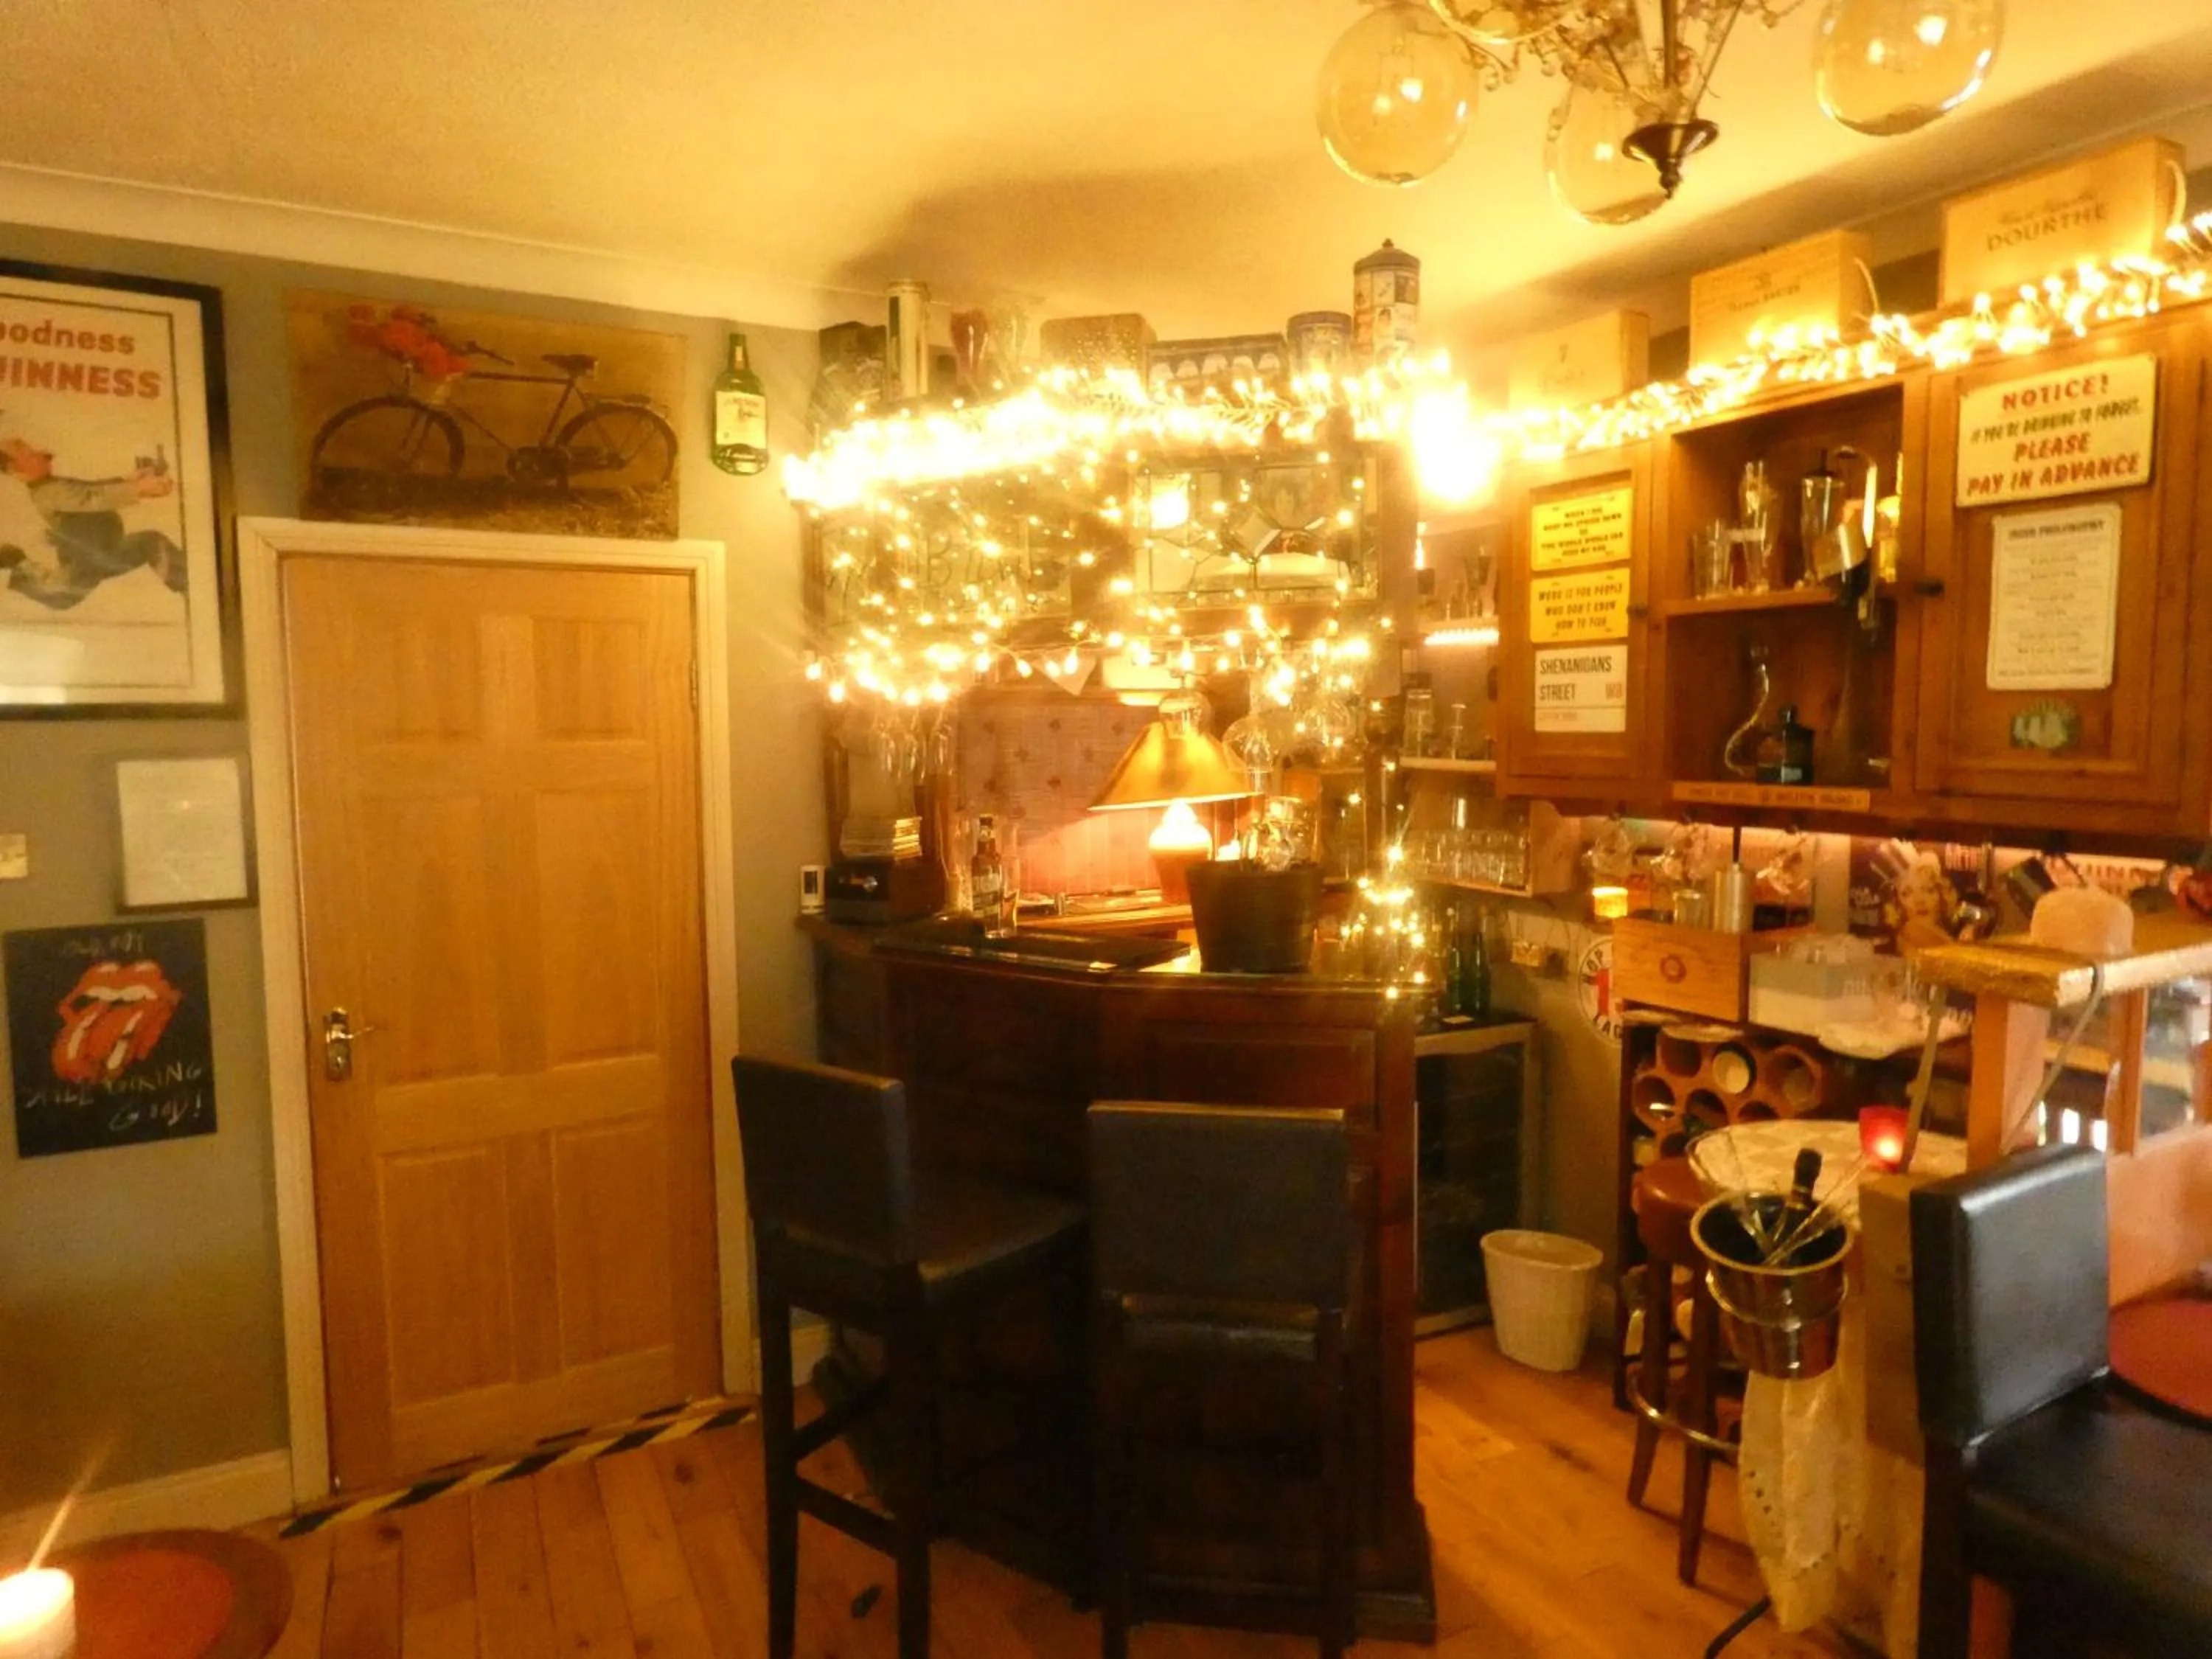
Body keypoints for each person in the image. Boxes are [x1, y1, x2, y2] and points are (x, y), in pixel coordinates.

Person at [0, 434, 185, 611]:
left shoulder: (55, 484)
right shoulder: (47, 494)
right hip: (85, 561)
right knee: (60, 594)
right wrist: (137, 489)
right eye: (28, 454)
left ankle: (188, 584)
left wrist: (128, 479)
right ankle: (16, 560)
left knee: (151, 542)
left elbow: (92, 487)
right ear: (14, 470)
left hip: (107, 552)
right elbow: (91, 497)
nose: (38, 453)